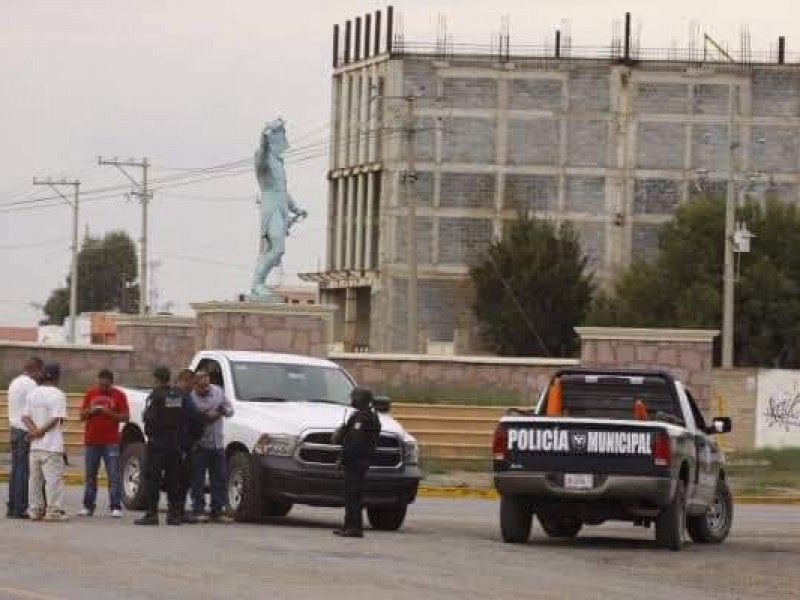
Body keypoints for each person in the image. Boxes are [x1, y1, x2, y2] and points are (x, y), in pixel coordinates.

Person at [135, 366, 196, 526]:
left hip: (157, 443)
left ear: (156, 379)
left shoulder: (156, 396)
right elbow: (185, 417)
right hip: (174, 443)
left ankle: (151, 514)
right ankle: (174, 515)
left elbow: (150, 418)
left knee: (152, 479)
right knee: (173, 480)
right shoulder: (177, 395)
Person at [78, 369, 129, 518]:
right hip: (91, 440)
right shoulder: (90, 394)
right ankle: (88, 506)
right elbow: (81, 415)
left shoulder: (119, 395)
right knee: (90, 475)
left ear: (111, 383)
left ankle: (115, 506)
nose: (103, 387)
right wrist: (92, 411)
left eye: (106, 385)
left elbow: (126, 417)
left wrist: (109, 413)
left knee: (113, 475)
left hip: (111, 441)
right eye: (101, 384)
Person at [21, 363, 68, 522]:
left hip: (35, 447)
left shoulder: (32, 393)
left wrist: (34, 433)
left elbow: (25, 417)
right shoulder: (58, 394)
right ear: (57, 377)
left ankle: (35, 510)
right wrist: (40, 432)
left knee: (34, 481)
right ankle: (53, 512)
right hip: (52, 446)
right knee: (53, 481)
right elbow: (56, 419)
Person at [332, 387, 381, 538]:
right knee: (351, 495)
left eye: (354, 397)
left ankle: (354, 528)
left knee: (353, 495)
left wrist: (344, 458)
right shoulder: (363, 416)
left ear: (360, 399)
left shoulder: (363, 418)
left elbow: (355, 442)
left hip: (357, 462)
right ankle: (349, 526)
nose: (352, 400)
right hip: (359, 461)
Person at [190, 369, 234, 524]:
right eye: (201, 387)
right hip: (200, 445)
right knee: (198, 480)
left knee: (219, 478)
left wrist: (221, 410)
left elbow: (230, 410)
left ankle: (217, 510)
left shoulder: (217, 391)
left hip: (217, 444)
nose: (205, 389)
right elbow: (199, 418)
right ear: (194, 385)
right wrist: (210, 414)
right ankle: (198, 510)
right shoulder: (191, 397)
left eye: (207, 385)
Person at [6, 356, 43, 519]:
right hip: (25, 431)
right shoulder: (31, 385)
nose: (41, 376)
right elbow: (34, 409)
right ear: (36, 369)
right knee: (23, 471)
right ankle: (21, 507)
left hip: (13, 429)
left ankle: (12, 507)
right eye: (40, 372)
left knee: (15, 470)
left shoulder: (14, 382)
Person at [174, 368, 205, 524]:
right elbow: (194, 417)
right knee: (180, 479)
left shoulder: (182, 396)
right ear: (184, 381)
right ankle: (176, 512)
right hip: (180, 444)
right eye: (192, 383)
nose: (193, 387)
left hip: (182, 442)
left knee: (184, 479)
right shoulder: (179, 397)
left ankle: (178, 511)